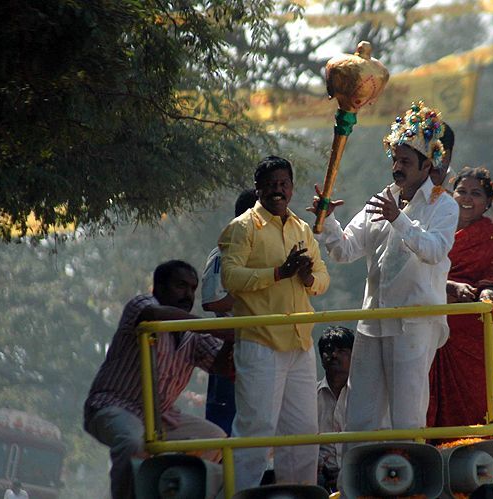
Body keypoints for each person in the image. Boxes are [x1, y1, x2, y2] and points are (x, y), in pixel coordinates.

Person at [312, 101, 458, 439]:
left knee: (407, 417)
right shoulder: (382, 199)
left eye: (406, 161)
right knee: (359, 417)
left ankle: (407, 473)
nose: (397, 167)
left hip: (414, 323)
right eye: (395, 159)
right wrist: (328, 220)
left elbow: (435, 251)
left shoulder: (444, 206)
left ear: (426, 165)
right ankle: (356, 474)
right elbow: (344, 250)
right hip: (372, 323)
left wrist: (399, 219)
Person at [218, 156, 330, 490]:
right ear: (258, 189)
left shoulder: (301, 228)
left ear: (292, 188)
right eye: (270, 185)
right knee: (256, 430)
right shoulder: (242, 228)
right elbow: (230, 278)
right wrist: (280, 272)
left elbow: (323, 277)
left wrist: (308, 278)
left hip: (300, 343)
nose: (278, 191)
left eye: (283, 184)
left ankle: (299, 495)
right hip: (260, 342)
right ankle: (239, 495)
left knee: (303, 432)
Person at [83, 260, 232, 499]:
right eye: (181, 286)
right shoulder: (142, 305)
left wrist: (232, 336)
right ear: (159, 288)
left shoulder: (194, 333)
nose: (188, 295)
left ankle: (173, 490)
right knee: (132, 442)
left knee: (216, 440)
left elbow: (222, 367)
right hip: (113, 406)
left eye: (193, 288)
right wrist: (217, 328)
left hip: (162, 416)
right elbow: (152, 315)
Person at [427, 167, 493, 428]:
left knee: (475, 407)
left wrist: (491, 291)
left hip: (476, 335)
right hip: (429, 327)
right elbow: (416, 272)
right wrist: (449, 287)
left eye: (476, 193)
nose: (467, 198)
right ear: (451, 195)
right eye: (462, 191)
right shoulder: (433, 228)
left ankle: (472, 449)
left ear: (488, 203)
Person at [201, 188, 258, 435]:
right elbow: (212, 301)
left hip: (269, 347)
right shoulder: (223, 253)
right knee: (225, 425)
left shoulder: (274, 251)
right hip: (233, 348)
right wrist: (253, 294)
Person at [315, 326, 354, 492]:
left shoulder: (365, 397)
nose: (334, 355)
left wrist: (346, 474)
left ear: (354, 356)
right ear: (321, 359)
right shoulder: (308, 398)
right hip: (320, 478)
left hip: (357, 473)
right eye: (329, 350)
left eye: (342, 350)